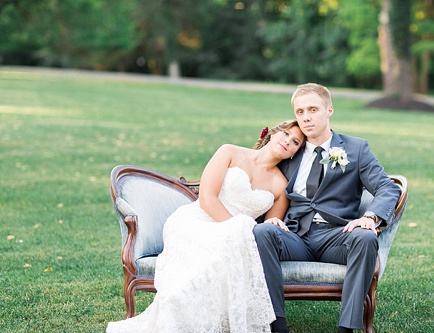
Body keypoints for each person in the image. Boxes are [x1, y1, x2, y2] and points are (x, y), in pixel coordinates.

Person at [106, 120, 305, 333]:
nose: (287, 142)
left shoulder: (281, 185)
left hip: (236, 236)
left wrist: (272, 222)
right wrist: (233, 229)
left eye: (295, 142)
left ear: (295, 153)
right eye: (285, 134)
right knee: (218, 250)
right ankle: (176, 310)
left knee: (221, 256)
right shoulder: (229, 152)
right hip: (197, 222)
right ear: (274, 133)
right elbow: (207, 198)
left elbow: (267, 229)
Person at [253, 83, 401, 333]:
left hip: (336, 237)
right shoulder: (291, 150)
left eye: (313, 109)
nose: (306, 117)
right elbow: (259, 171)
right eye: (300, 112)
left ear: (329, 109)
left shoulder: (356, 148)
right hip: (295, 236)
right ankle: (277, 325)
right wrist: (269, 218)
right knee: (263, 233)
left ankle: (347, 328)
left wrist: (369, 216)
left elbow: (388, 188)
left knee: (365, 238)